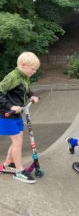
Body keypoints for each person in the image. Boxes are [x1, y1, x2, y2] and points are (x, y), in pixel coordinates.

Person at [0, 51, 40, 184]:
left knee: (19, 140)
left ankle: (8, 163)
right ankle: (19, 171)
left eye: (35, 69)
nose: (34, 72)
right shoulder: (12, 77)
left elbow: (26, 89)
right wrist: (10, 106)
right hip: (6, 114)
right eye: (32, 69)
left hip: (17, 114)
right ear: (23, 65)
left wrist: (32, 95)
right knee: (17, 142)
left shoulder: (24, 76)